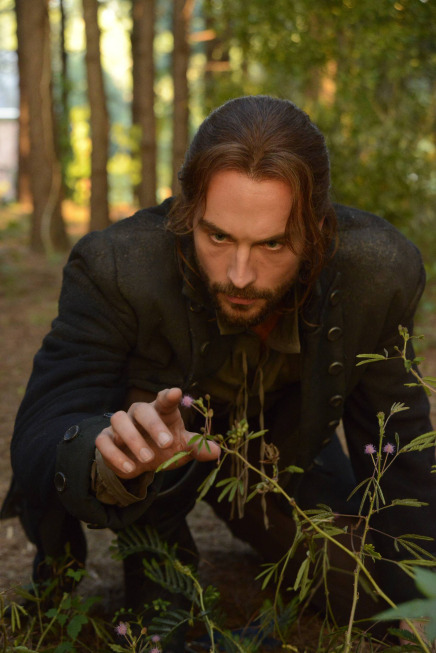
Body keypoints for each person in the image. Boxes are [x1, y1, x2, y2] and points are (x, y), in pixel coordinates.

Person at [2, 96, 435, 646]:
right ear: (188, 215)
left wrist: (426, 602)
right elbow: (44, 426)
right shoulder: (115, 265)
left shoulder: (378, 271)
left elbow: (402, 446)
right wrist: (108, 456)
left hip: (280, 452)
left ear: (316, 229)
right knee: (162, 621)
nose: (240, 274)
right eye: (218, 237)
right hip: (155, 466)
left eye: (273, 243)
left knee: (364, 591)